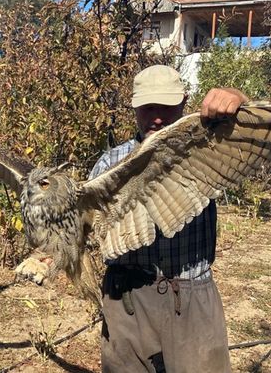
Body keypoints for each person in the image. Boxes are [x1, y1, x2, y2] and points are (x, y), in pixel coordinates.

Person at [88, 65, 249, 373]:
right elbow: (87, 230)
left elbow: (250, 129)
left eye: (166, 106)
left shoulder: (209, 147)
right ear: (134, 107)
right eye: (149, 107)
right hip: (127, 300)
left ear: (184, 103)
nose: (157, 116)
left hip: (191, 299)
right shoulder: (109, 164)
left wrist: (236, 97)